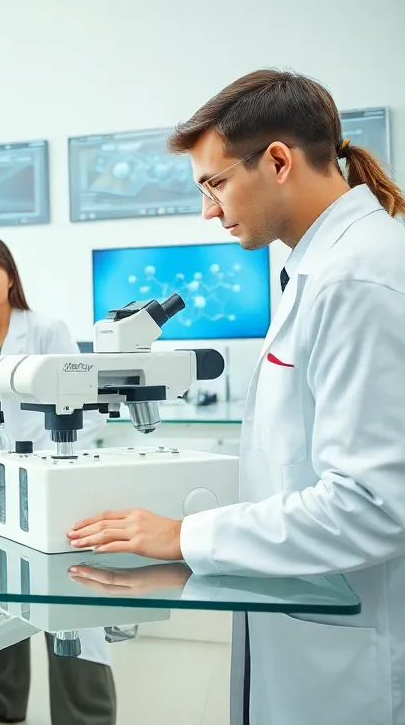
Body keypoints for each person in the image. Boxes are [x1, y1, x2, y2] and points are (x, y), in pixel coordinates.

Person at [66, 69, 405, 725]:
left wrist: (186, 534)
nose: (208, 210)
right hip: (304, 622)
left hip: (350, 654)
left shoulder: (354, 280)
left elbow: (372, 505)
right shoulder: (317, 267)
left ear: (278, 160)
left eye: (215, 184)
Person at [0, 237, 115, 725]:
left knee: (66, 608)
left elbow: (85, 407)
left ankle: (83, 715)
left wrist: (48, 467)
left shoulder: (46, 329)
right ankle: (4, 707)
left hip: (49, 486)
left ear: (9, 275)